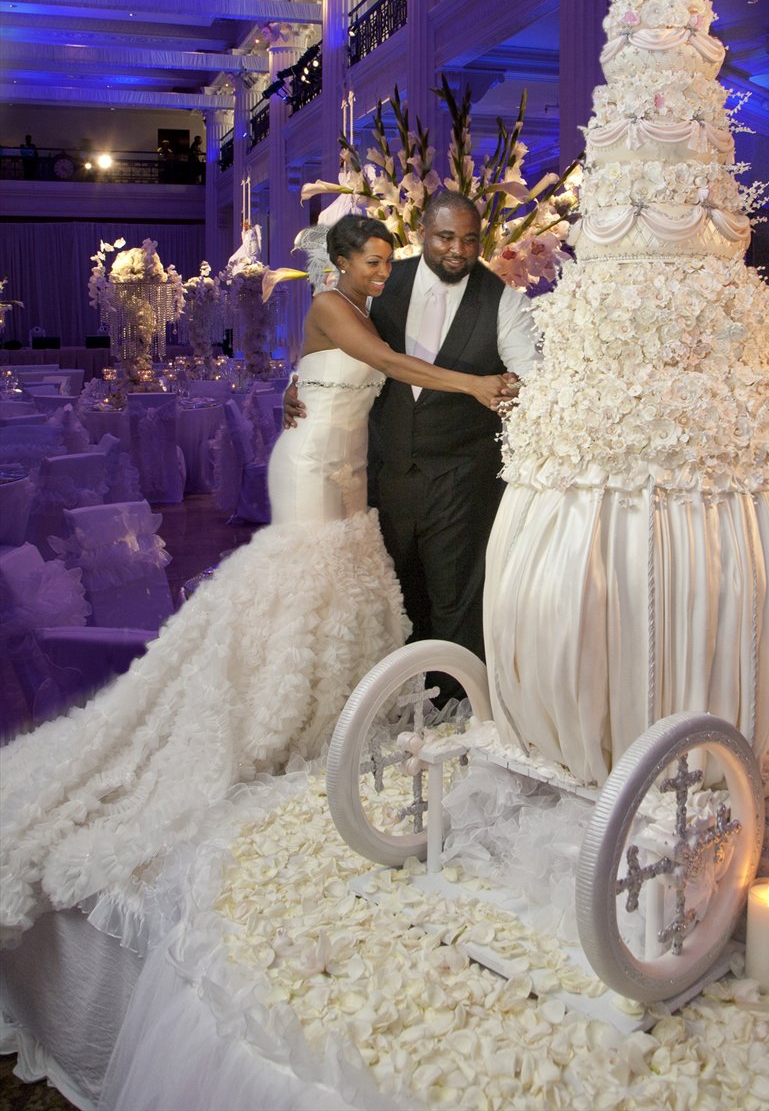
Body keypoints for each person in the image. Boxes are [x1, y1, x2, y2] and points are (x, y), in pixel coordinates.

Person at [0, 215, 513, 942]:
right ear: (337, 263)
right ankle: (260, 710)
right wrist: (478, 384)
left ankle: (326, 714)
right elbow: (394, 367)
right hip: (308, 468)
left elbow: (357, 380)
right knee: (303, 579)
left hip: (352, 468)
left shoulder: (370, 307)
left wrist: (291, 389)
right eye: (370, 263)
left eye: (383, 263)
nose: (379, 274)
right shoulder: (334, 305)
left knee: (347, 584)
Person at [284, 191, 538, 671]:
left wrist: (515, 390)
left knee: (456, 602)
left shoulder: (502, 301)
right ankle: (396, 700)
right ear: (422, 231)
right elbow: (338, 348)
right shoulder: (379, 281)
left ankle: (455, 712)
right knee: (388, 596)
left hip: (462, 478)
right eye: (445, 237)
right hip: (379, 471)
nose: (458, 250)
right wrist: (298, 388)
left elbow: (530, 377)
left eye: (469, 239)